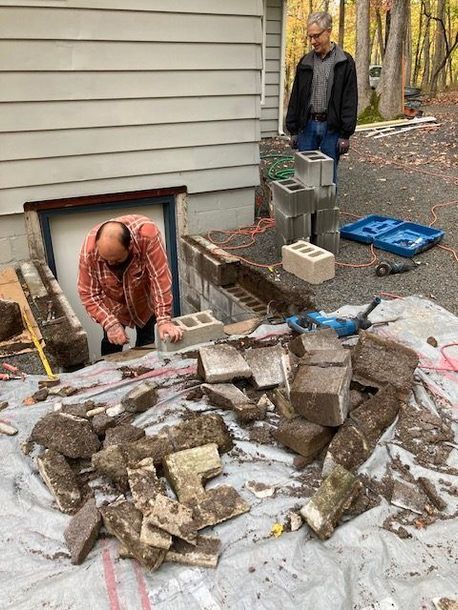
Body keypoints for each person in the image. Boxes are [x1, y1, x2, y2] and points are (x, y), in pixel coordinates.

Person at [78, 214, 183, 356]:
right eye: (106, 260)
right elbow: (88, 294)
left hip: (144, 300)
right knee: (111, 344)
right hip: (113, 304)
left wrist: (164, 319)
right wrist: (110, 324)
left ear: (130, 246)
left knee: (148, 343)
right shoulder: (90, 250)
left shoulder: (147, 235)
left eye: (117, 260)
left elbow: (160, 278)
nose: (111, 264)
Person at [285, 11, 357, 183]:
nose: (312, 41)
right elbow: (296, 98)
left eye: (316, 36)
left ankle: (326, 210)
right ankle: (307, 211)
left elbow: (350, 99)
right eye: (310, 37)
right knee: (304, 177)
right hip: (307, 127)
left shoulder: (345, 62)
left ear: (329, 31)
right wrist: (293, 130)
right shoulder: (305, 62)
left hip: (331, 129)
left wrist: (345, 135)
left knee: (327, 179)